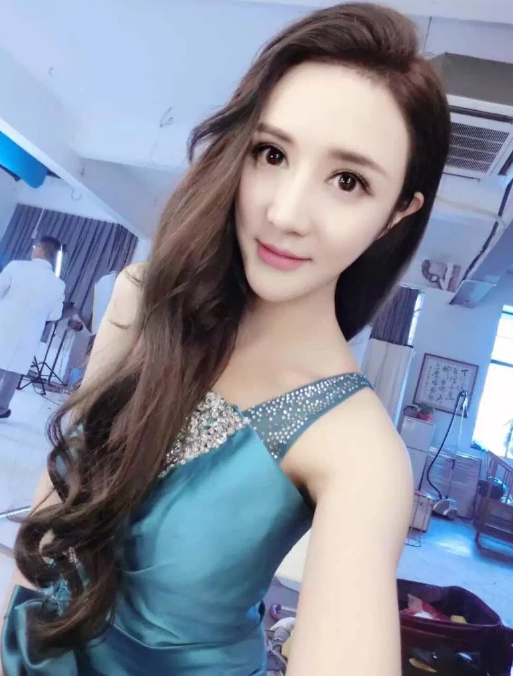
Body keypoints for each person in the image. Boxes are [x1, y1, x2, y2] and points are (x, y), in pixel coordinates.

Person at [0, 4, 450, 675]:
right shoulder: (143, 304)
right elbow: (52, 523)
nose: (285, 212)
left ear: (397, 213)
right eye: (272, 154)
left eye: (348, 180)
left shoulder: (356, 448)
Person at [0, 236, 65, 420]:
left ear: (40, 250)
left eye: (36, 246)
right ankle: (1, 408)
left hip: (5, 323)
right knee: (14, 371)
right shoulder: (58, 284)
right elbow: (55, 315)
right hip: (29, 333)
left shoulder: (16, 266)